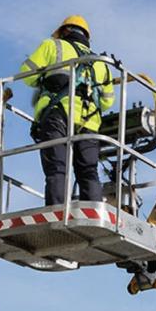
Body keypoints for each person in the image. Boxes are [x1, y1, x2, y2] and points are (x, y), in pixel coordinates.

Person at [20, 16, 115, 206]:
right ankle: (93, 212)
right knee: (88, 171)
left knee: (57, 168)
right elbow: (107, 102)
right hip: (88, 123)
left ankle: (56, 211)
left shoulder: (52, 46)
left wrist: (44, 79)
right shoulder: (100, 63)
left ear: (65, 31)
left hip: (58, 114)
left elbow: (26, 75)